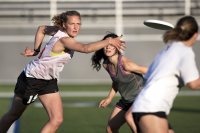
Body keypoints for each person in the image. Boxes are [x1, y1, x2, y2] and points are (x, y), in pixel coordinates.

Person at [0, 11, 124, 133]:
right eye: (72, 24)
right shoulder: (65, 40)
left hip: (48, 81)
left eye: (78, 24)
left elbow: (42, 29)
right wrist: (109, 41)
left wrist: (36, 50)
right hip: (32, 78)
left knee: (57, 119)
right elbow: (85, 48)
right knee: (14, 114)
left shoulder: (57, 31)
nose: (76, 27)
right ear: (64, 25)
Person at [130, 15, 200, 133]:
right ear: (196, 35)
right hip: (151, 107)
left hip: (147, 106)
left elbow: (149, 76)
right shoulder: (185, 51)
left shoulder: (168, 49)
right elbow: (193, 84)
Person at [91, 33, 148, 133]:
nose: (108, 47)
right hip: (126, 101)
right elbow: (116, 82)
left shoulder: (126, 64)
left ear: (118, 47)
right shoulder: (106, 64)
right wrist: (109, 98)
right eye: (106, 45)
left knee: (130, 118)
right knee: (111, 129)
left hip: (140, 99)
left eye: (112, 45)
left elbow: (148, 70)